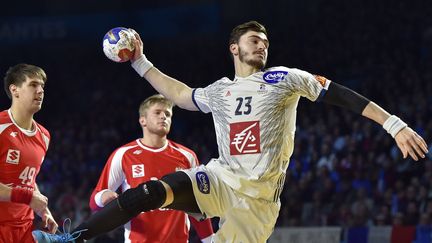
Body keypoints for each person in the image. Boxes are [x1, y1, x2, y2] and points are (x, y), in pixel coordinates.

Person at [35, 20, 428, 243]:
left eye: (266, 42)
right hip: (221, 178)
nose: (262, 46)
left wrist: (393, 124)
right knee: (151, 192)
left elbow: (338, 94)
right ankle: (72, 239)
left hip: (257, 203)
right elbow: (181, 94)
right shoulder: (220, 90)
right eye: (254, 41)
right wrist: (140, 62)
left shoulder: (284, 79)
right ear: (234, 49)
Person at [89, 94, 214, 242]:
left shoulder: (187, 156)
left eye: (168, 114)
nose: (163, 117)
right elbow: (94, 202)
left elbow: (198, 203)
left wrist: (210, 239)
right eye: (157, 112)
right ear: (143, 120)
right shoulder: (123, 155)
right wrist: (101, 198)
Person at [0, 63, 58, 242]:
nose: (40, 91)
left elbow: (29, 179)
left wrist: (43, 210)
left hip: (24, 228)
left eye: (42, 86)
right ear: (15, 90)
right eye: (33, 85)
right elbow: (26, 193)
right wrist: (27, 196)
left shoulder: (44, 135)